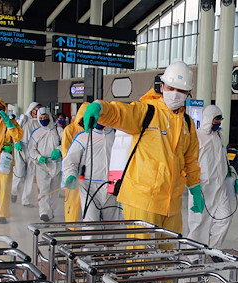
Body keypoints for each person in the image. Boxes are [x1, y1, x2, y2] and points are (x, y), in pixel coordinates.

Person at [83, 61, 202, 236]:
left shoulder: (187, 124)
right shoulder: (147, 112)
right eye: (171, 88)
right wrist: (101, 107)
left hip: (171, 204)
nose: (175, 94)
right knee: (142, 257)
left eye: (181, 91)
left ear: (188, 93)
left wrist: (195, 187)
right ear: (162, 87)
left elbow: (190, 160)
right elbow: (121, 113)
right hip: (142, 199)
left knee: (169, 254)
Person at [187, 105, 238, 254]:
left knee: (225, 218)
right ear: (208, 119)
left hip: (220, 187)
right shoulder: (196, 137)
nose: (218, 123)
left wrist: (232, 174)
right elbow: (189, 161)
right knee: (198, 224)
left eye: (219, 120)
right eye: (215, 120)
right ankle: (192, 256)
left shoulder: (219, 136)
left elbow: (224, 159)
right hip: (201, 188)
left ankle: (213, 250)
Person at [62, 113, 119, 223]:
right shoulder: (82, 137)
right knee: (90, 223)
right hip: (89, 187)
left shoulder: (116, 136)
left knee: (112, 224)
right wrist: (70, 175)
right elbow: (70, 162)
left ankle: (110, 241)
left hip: (112, 186)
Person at [28, 107, 64, 222]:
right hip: (42, 165)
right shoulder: (36, 133)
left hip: (56, 165)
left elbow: (66, 143)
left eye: (46, 117)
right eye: (41, 118)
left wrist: (59, 150)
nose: (44, 120)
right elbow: (31, 149)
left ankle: (51, 211)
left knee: (54, 190)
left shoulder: (58, 130)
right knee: (43, 189)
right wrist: (38, 157)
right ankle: (43, 212)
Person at [12, 102, 42, 207]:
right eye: (36, 108)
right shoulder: (24, 118)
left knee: (30, 174)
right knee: (19, 173)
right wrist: (16, 142)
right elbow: (15, 130)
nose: (37, 111)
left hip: (32, 149)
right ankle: (14, 192)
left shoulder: (39, 122)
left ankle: (26, 200)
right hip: (21, 148)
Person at [61, 103, 86, 222]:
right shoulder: (69, 130)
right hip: (75, 171)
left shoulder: (94, 130)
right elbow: (66, 152)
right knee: (72, 199)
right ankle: (71, 224)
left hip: (90, 173)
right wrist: (71, 171)